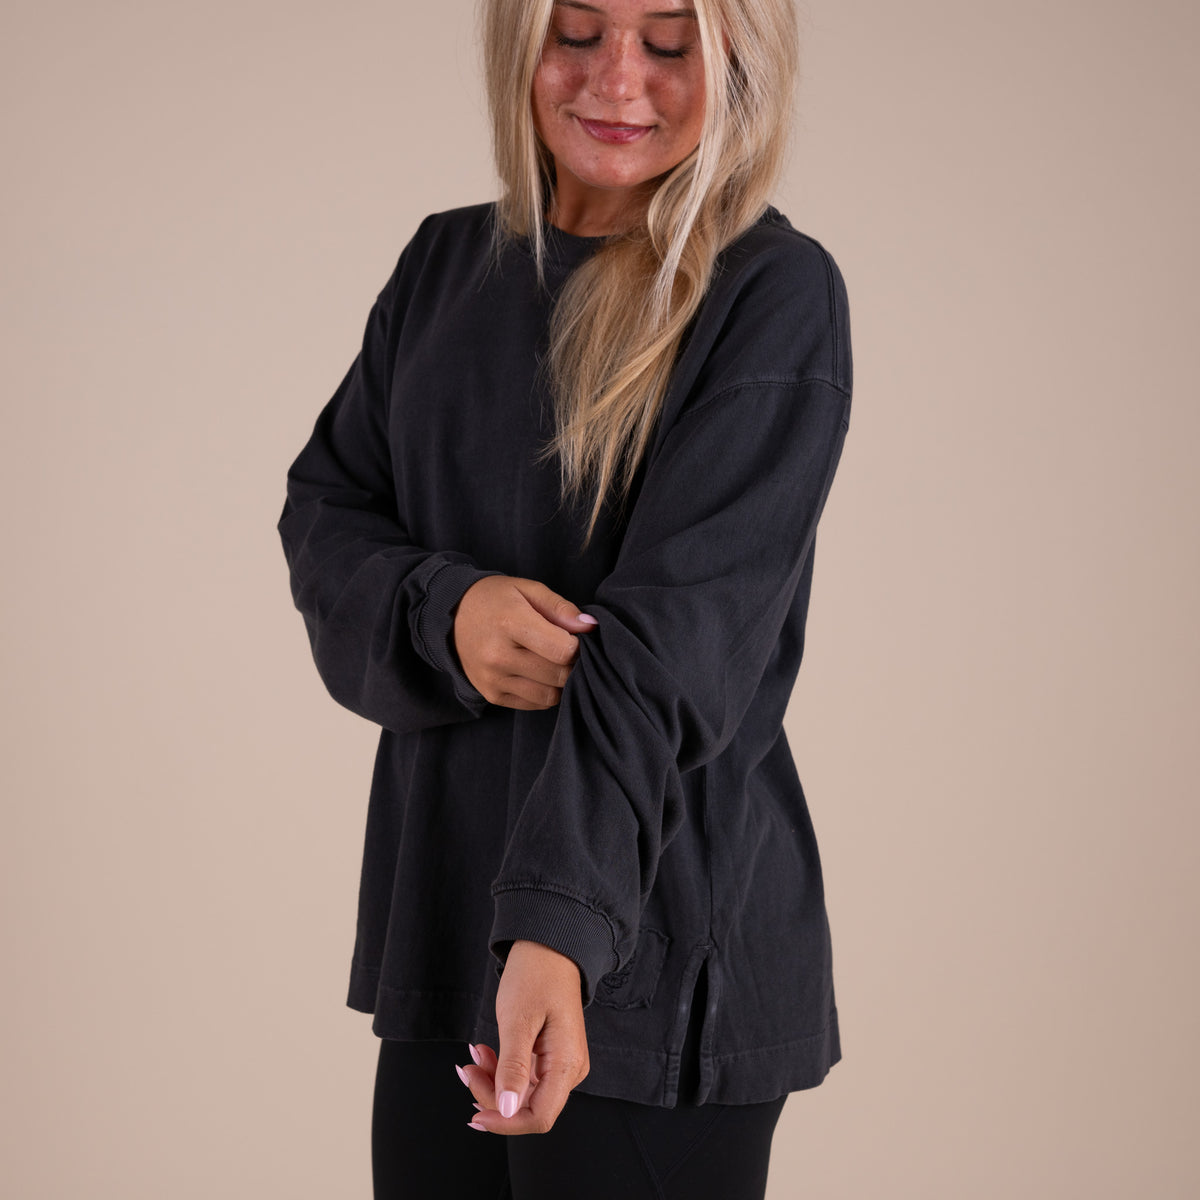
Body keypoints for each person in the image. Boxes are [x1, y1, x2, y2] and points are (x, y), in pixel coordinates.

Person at [278, 0, 851, 1195]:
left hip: (645, 950)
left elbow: (672, 652)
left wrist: (557, 939)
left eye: (666, 41)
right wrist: (448, 613)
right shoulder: (445, 264)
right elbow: (326, 515)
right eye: (577, 33)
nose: (617, 82)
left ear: (735, 59)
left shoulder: (770, 293)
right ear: (519, 46)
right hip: (445, 927)